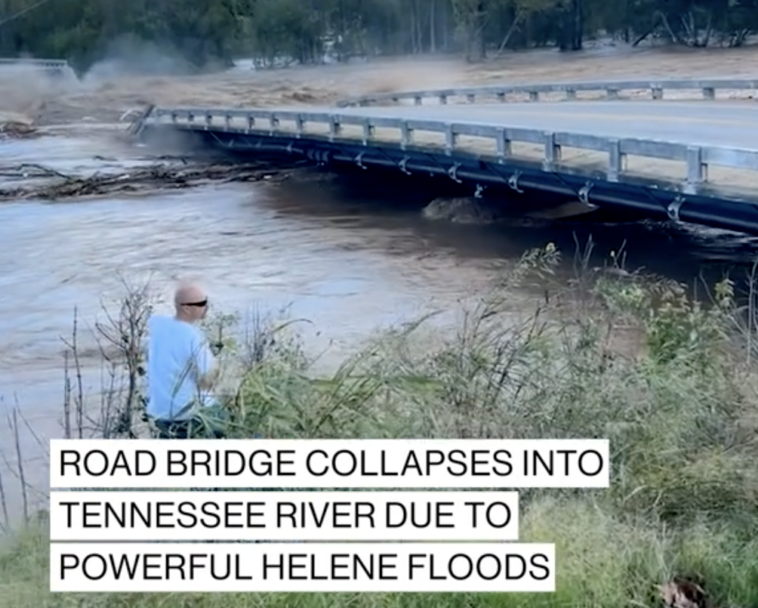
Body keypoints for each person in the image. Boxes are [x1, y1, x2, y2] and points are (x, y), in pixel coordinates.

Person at [145, 282, 228, 439]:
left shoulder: (158, 329)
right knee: (227, 423)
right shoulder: (192, 335)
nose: (206, 307)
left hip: (158, 412)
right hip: (186, 413)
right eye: (202, 304)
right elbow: (208, 376)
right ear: (186, 308)